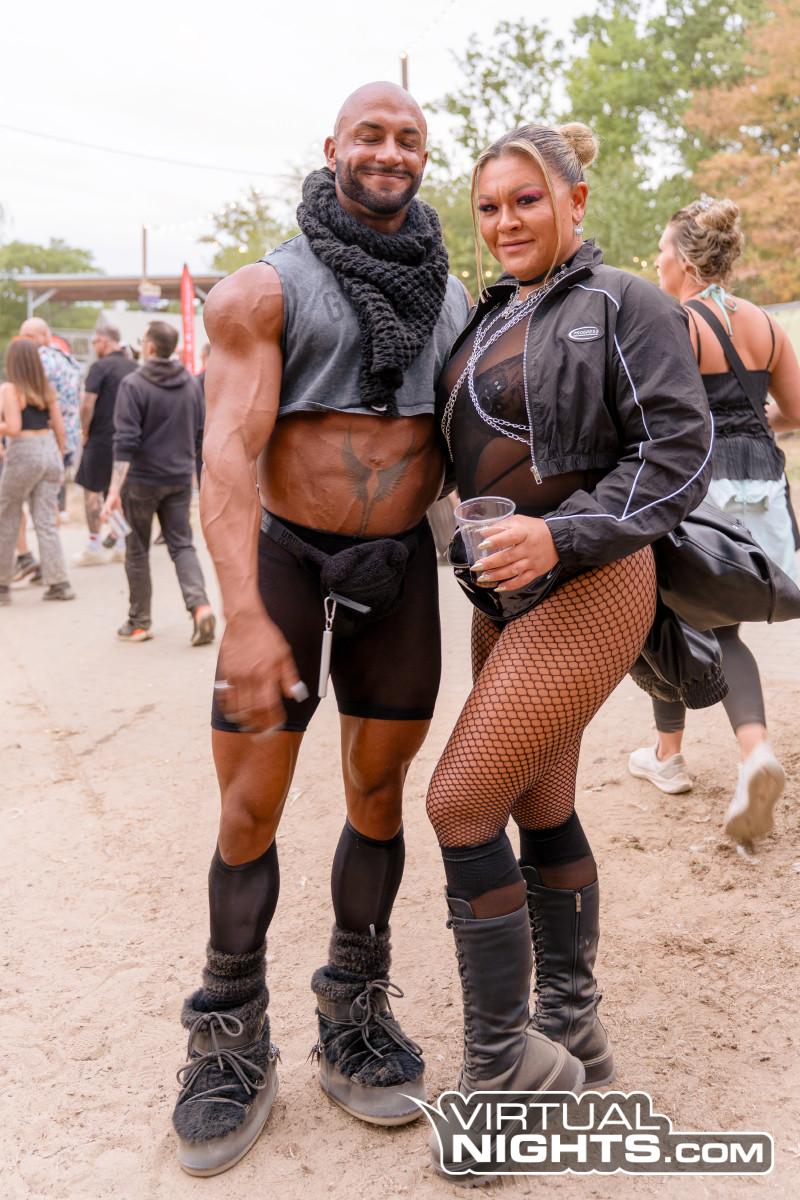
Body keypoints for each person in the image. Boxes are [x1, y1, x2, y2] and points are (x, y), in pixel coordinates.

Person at [171, 82, 470, 1177]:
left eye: (408, 139)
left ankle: (354, 1001)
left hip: (397, 569)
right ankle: (226, 1033)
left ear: (423, 157)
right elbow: (225, 456)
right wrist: (243, 616)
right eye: (371, 135)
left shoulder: (453, 297)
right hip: (286, 566)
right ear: (333, 146)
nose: (389, 152)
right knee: (249, 806)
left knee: (379, 795)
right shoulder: (265, 290)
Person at [424, 122, 712, 1175]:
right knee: (535, 804)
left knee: (458, 803)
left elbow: (680, 452)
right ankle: (572, 1026)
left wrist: (562, 532)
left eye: (526, 200)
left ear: (574, 201)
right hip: (498, 593)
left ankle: (506, 1072)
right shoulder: (485, 315)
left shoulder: (624, 302)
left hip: (588, 581)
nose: (505, 221)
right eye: (488, 206)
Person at [628, 197, 800, 846]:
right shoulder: (765, 323)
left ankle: (736, 755)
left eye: (662, 251)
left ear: (686, 260)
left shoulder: (678, 322)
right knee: (700, 618)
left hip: (704, 489)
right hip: (765, 483)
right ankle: (675, 754)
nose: (657, 262)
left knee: (684, 614)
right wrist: (744, 423)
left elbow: (654, 415)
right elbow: (794, 410)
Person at [101, 320, 216, 646]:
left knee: (137, 549)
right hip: (179, 478)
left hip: (140, 481)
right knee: (182, 545)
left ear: (149, 347)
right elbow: (200, 433)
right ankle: (200, 607)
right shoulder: (190, 384)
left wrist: (113, 491)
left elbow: (125, 441)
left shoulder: (134, 384)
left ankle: (139, 623)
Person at [0, 339, 75, 604]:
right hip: (49, 450)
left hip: (24, 452)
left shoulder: (10, 389)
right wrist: (60, 458)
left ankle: (2, 585)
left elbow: (14, 427)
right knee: (45, 521)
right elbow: (60, 428)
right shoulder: (46, 389)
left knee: (7, 516)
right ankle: (59, 582)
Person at [73, 321, 137, 566]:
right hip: (129, 439)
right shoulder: (135, 367)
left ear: (105, 341)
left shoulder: (99, 367)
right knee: (120, 491)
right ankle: (121, 544)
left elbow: (87, 403)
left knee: (92, 491)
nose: (93, 346)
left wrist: (84, 431)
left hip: (100, 438)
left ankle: (94, 546)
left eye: (94, 342)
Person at [19, 318, 81, 519]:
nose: (24, 341)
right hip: (67, 435)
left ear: (45, 336)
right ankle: (56, 515)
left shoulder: (40, 359)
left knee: (39, 498)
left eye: (29, 336)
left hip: (44, 435)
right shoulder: (67, 359)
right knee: (52, 489)